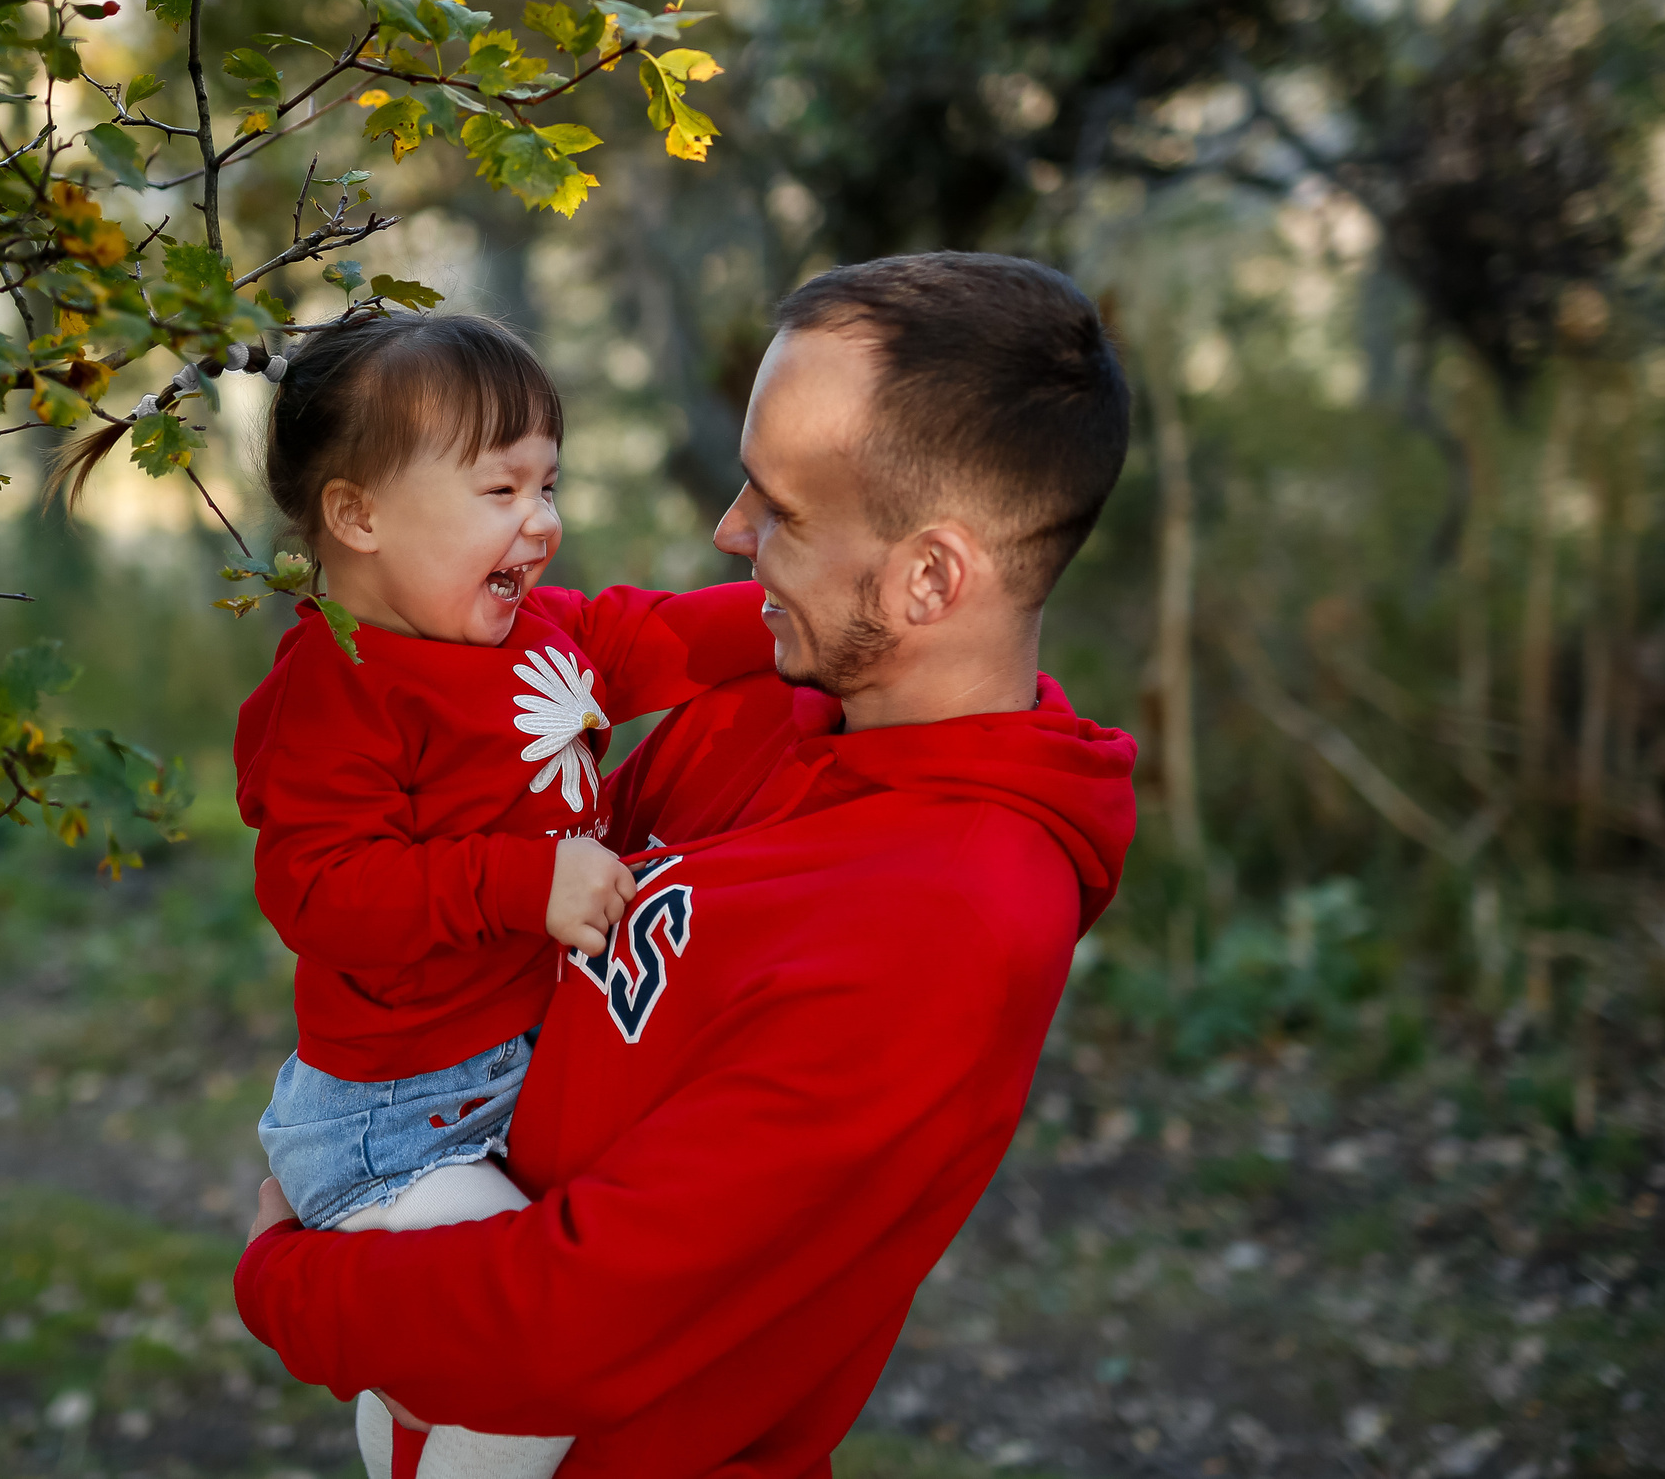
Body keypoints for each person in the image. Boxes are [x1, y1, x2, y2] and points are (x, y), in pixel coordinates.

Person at [233, 252, 1141, 1479]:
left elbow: (574, 1324)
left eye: (780, 508)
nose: (727, 531)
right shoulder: (771, 706)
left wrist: (285, 1280)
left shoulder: (955, 923)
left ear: (932, 576)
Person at [228, 313, 776, 1479]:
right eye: (499, 488)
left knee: (525, 1361)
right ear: (358, 515)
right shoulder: (338, 691)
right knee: (528, 1372)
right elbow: (321, 892)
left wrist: (800, 618)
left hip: (511, 1080)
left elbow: (660, 634)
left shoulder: (543, 639)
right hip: (393, 1124)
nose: (541, 520)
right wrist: (524, 881)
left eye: (548, 484)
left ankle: (403, 1431)